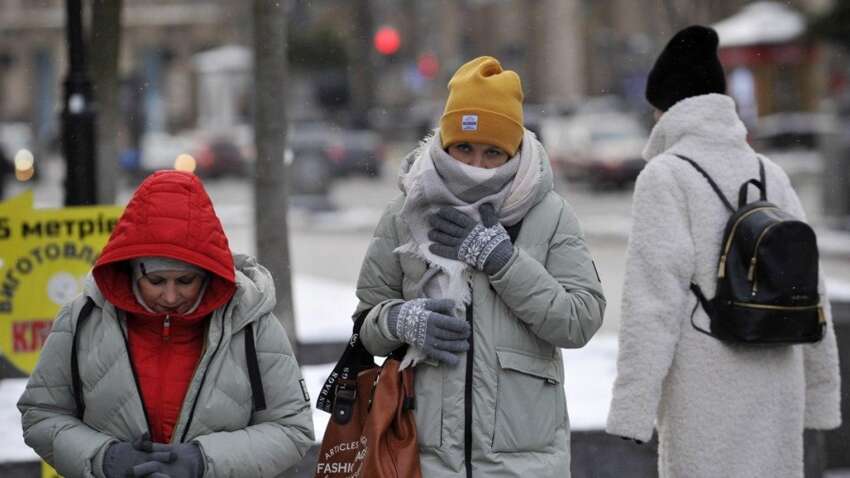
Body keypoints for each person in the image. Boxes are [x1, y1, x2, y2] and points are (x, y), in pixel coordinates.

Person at [606, 25, 841, 477]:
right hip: (778, 380)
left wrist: (632, 410)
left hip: (708, 386)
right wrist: (822, 394)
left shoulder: (666, 176)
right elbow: (814, 292)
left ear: (666, 109)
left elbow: (652, 303)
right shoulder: (769, 172)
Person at [353, 56, 606, 476]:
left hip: (524, 466)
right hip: (420, 460)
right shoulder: (405, 213)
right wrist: (400, 321)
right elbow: (367, 325)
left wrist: (503, 262)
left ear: (514, 151)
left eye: (493, 152)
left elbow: (579, 320)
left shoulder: (550, 214)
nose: (475, 166)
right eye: (464, 148)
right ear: (446, 142)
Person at [18, 170, 314, 477]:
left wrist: (203, 461)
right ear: (132, 271)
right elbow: (41, 414)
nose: (171, 296)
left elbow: (292, 428)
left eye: (186, 281)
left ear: (208, 273)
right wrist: (104, 458)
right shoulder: (82, 320)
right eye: (156, 281)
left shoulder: (251, 324)